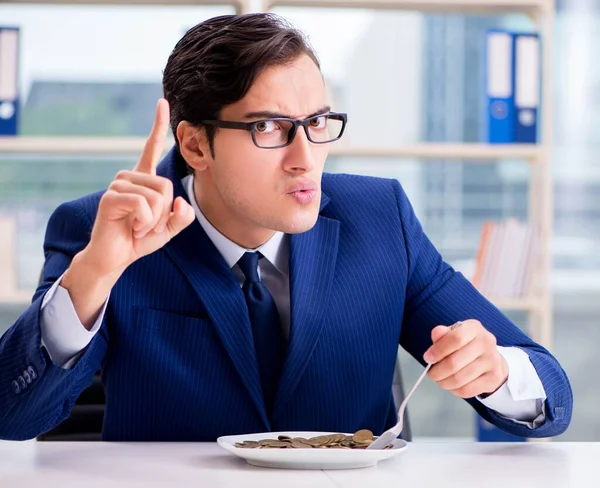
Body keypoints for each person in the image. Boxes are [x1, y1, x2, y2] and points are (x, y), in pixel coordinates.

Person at [0, 13, 572, 442]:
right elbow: (12, 416)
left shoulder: (379, 218)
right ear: (196, 144)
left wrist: (496, 372)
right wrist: (96, 274)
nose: (306, 157)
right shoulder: (104, 230)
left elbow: (552, 392)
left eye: (318, 122)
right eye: (270, 127)